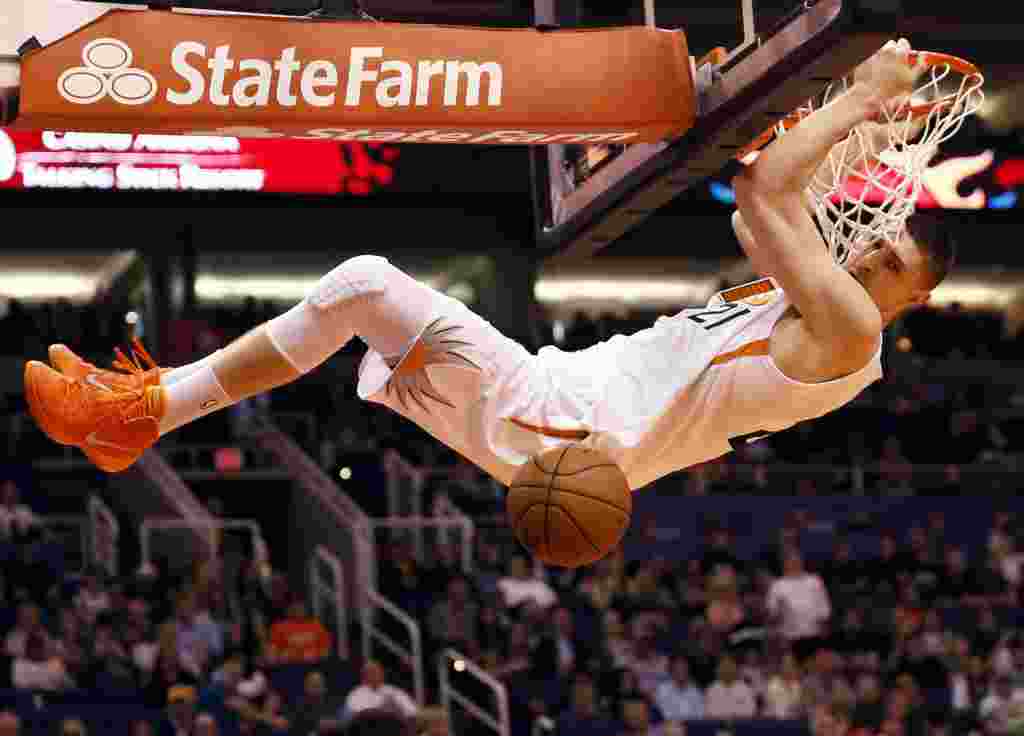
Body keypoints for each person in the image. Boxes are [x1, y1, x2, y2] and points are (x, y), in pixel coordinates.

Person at [24, 41, 952, 493]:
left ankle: (141, 414)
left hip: (579, 435)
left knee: (362, 283)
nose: (874, 246)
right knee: (358, 310)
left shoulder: (852, 333)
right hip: (558, 407)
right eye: (884, 234)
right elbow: (760, 194)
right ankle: (138, 413)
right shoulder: (788, 299)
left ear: (915, 297)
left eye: (895, 256)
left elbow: (765, 198)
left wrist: (863, 100)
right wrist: (783, 115)